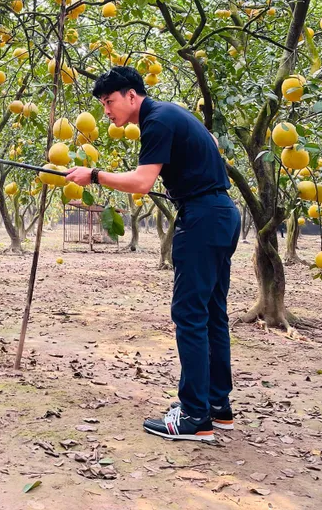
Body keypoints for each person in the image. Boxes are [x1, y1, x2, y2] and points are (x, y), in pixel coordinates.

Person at [65, 66, 241, 442]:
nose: (106, 112)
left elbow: (143, 183)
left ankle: (195, 417)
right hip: (220, 212)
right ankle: (216, 406)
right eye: (101, 105)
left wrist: (93, 175)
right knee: (211, 313)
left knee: (190, 314)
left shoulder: (156, 121)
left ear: (131, 96)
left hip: (204, 218)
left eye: (109, 102)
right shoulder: (171, 113)